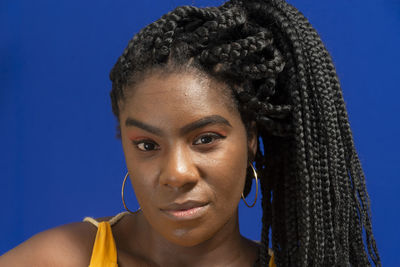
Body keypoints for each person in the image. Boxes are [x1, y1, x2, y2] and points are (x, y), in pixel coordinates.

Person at [0, 0, 381, 266]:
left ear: (251, 137)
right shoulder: (60, 259)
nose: (176, 173)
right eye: (147, 144)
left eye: (205, 139)